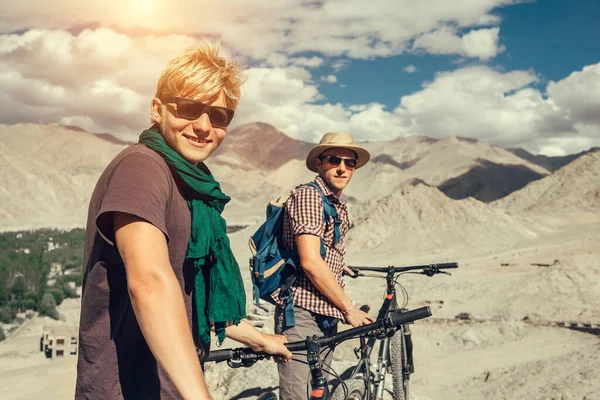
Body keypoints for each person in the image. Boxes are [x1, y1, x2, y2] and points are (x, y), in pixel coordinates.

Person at [75, 41, 291, 400]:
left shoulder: (193, 186)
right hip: (127, 388)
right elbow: (150, 282)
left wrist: (258, 338)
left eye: (219, 116)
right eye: (189, 108)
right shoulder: (142, 167)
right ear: (157, 110)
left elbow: (190, 293)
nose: (204, 126)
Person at [274, 132, 374, 399]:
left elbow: (321, 249)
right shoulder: (309, 196)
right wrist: (349, 309)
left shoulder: (335, 202)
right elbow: (309, 261)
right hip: (303, 315)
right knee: (299, 395)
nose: (342, 168)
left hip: (326, 315)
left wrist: (340, 266)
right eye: (333, 160)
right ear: (319, 164)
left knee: (317, 394)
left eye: (349, 162)